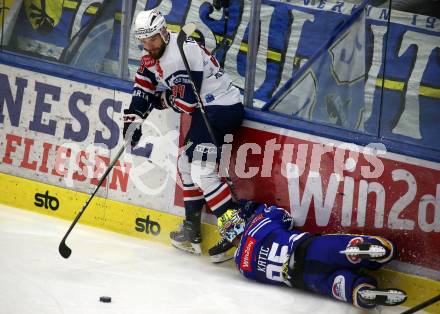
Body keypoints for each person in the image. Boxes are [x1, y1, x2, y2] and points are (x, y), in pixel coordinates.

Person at [122, 9, 243, 262]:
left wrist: (162, 99)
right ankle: (191, 233)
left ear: (164, 33)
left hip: (221, 107)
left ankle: (237, 233)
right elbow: (143, 85)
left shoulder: (182, 52)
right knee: (185, 165)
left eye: (152, 39)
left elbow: (187, 102)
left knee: (201, 171)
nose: (148, 46)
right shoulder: (152, 54)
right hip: (206, 110)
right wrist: (134, 118)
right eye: (143, 41)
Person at [217, 201, 407, 309]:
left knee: (340, 284)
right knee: (342, 248)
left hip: (305, 281)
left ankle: (361, 292)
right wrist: (257, 209)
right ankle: (373, 250)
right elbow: (285, 217)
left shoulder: (242, 266)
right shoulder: (259, 221)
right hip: (309, 248)